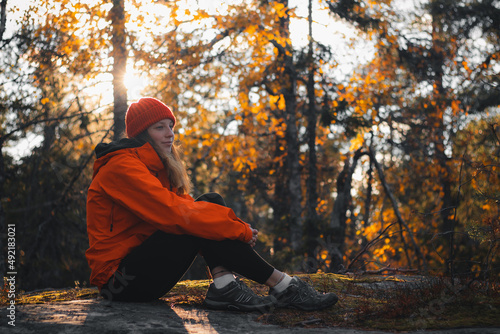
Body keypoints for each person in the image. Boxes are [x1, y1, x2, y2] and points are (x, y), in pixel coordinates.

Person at [85, 97, 338, 312]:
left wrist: (227, 224)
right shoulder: (121, 167)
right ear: (142, 134)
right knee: (193, 223)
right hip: (119, 283)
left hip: (142, 269)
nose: (170, 134)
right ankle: (283, 285)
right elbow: (176, 214)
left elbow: (186, 207)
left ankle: (225, 286)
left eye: (170, 126)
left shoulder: (155, 167)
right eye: (159, 128)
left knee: (210, 202)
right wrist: (239, 229)